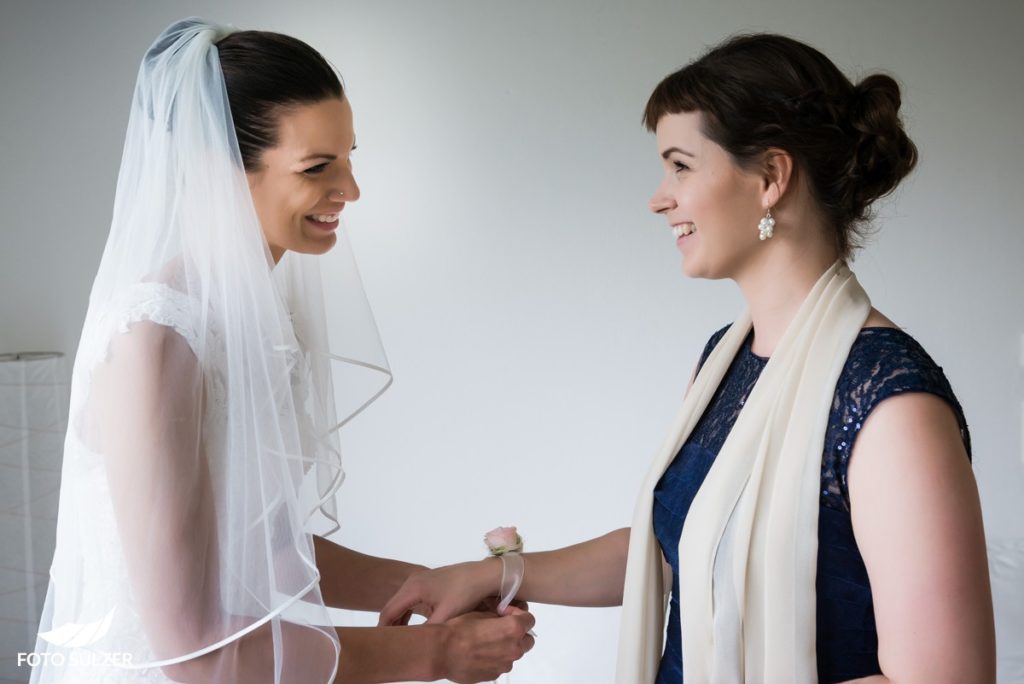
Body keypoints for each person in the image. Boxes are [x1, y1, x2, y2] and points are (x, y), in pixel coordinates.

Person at [379, 33, 996, 683]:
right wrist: (496, 574)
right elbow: (678, 547)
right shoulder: (725, 360)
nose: (659, 197)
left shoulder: (890, 405)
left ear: (770, 178)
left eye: (680, 165)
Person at [31, 18, 533, 684]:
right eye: (318, 167)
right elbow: (193, 654)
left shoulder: (253, 321)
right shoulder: (157, 343)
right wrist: (439, 651)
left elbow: (258, 544)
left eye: (350, 157)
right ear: (214, 165)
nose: (351, 190)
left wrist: (425, 583)